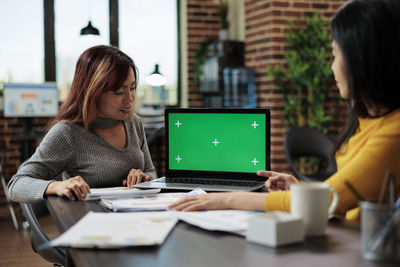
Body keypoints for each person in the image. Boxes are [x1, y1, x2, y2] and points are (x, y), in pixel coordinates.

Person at [170, 0, 400, 221]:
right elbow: (346, 196)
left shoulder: (394, 132)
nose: (332, 66)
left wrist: (227, 199)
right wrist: (298, 190)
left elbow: (331, 201)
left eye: (336, 53)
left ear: (364, 58)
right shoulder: (368, 120)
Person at [8, 45, 157, 203]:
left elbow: (151, 171)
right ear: (93, 92)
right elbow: (16, 185)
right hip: (90, 221)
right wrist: (56, 186)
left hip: (132, 215)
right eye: (119, 91)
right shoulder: (68, 132)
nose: (130, 98)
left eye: (133, 88)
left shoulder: (134, 123)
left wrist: (144, 178)